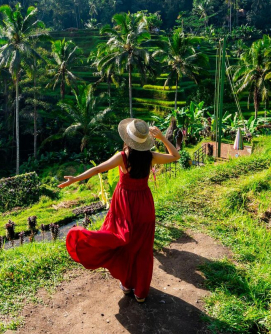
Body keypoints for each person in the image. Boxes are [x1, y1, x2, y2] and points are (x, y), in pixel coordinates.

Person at [58, 118, 180, 303]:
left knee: (124, 243)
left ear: (127, 139)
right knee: (143, 249)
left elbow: (97, 169)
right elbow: (175, 156)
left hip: (125, 206)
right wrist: (162, 137)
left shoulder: (122, 157)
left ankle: (128, 284)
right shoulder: (151, 156)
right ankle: (141, 292)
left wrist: (75, 179)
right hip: (145, 206)